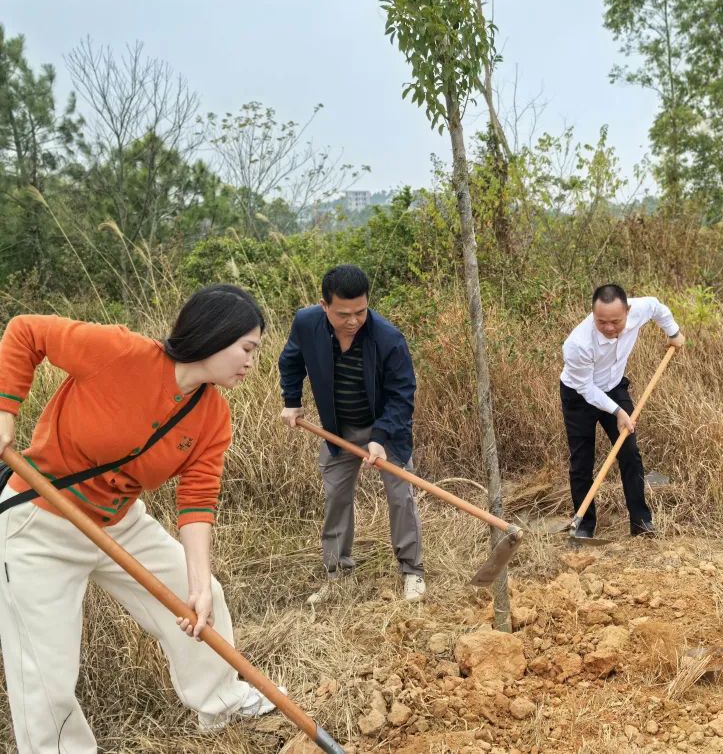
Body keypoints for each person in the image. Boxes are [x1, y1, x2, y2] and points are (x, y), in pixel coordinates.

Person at [0, 285, 278, 752]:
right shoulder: (120, 352)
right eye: (247, 348)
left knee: (203, 597)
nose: (251, 362)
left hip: (119, 523)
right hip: (40, 524)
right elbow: (26, 331)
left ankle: (222, 701)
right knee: (44, 667)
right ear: (214, 336)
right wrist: (4, 410)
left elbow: (197, 499)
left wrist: (197, 582)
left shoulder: (212, 416)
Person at [278, 265, 425, 603]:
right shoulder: (306, 323)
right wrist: (292, 401)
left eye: (361, 311)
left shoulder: (388, 338)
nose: (354, 321)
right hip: (338, 431)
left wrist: (380, 437)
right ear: (324, 305)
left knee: (401, 497)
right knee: (336, 498)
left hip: (386, 431)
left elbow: (402, 395)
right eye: (344, 314)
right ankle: (337, 575)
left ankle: (412, 571)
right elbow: (290, 361)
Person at [559, 284, 686, 539]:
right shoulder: (577, 344)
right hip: (579, 396)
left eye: (615, 321)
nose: (608, 327)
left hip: (614, 387)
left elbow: (657, 307)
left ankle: (641, 522)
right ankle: (584, 526)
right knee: (582, 460)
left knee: (629, 452)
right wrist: (618, 411)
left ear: (627, 311)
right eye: (601, 321)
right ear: (593, 314)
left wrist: (673, 332)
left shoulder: (640, 309)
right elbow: (587, 388)